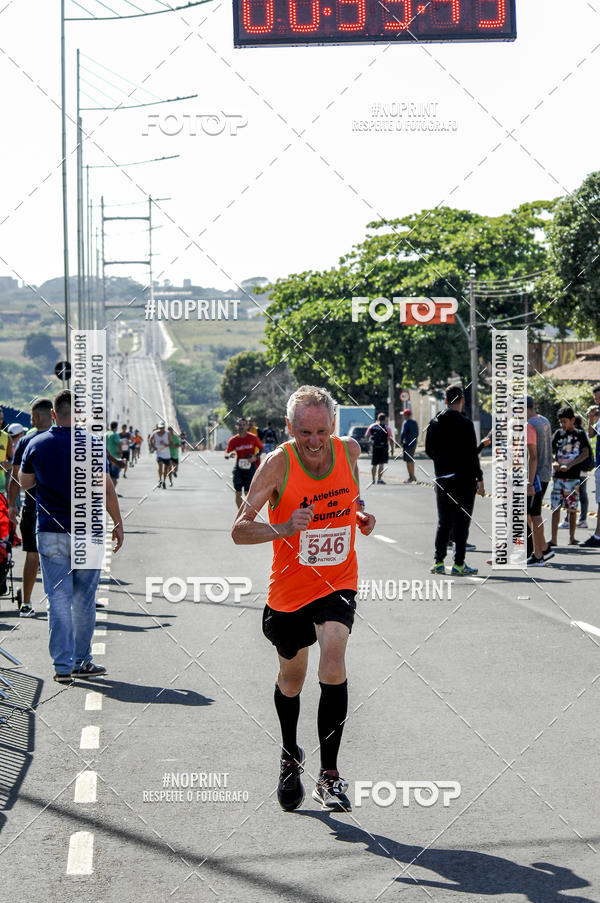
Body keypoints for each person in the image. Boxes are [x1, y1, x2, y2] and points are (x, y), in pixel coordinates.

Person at [231, 386, 375, 813]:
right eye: (304, 432)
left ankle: (329, 776)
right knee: (292, 679)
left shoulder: (348, 451)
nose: (314, 442)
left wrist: (361, 516)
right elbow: (239, 530)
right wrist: (284, 528)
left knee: (333, 663)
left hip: (337, 581)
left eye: (321, 431)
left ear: (333, 425)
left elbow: (352, 498)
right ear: (290, 428)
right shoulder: (277, 464)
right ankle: (290, 755)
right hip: (289, 590)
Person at [18, 389, 124, 683]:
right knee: (84, 599)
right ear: (79, 415)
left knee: (57, 597)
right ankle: (82, 661)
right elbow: (106, 487)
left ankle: (62, 667)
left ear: (53, 414)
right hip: (88, 531)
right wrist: (117, 522)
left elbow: (25, 482)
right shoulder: (91, 444)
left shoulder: (36, 443)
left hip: (50, 531)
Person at [425, 385, 484, 576]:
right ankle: (459, 564)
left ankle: (438, 562)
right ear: (462, 401)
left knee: (444, 522)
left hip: (442, 478)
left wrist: (442, 462)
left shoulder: (434, 423)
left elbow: (428, 451)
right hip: (463, 480)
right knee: (461, 522)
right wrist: (480, 479)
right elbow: (472, 456)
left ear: (445, 400)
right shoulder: (466, 424)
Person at [6, 399, 53, 616]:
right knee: (64, 555)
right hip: (61, 509)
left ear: (34, 418)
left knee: (32, 554)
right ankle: (64, 602)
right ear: (52, 415)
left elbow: (15, 477)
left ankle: (26, 603)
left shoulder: (25, 441)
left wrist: (12, 506)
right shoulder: (64, 438)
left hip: (32, 506)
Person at [550, 406, 591, 547]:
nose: (562, 424)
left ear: (572, 420)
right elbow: (550, 452)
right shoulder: (557, 434)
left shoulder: (580, 434)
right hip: (557, 477)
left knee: (572, 509)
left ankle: (571, 538)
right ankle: (554, 539)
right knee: (555, 508)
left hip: (573, 478)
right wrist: (555, 462)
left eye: (565, 421)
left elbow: (585, 453)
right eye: (560, 422)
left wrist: (571, 465)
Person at [526, 396, 555, 566]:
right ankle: (543, 547)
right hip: (545, 472)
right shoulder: (544, 421)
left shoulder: (529, 425)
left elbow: (533, 456)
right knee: (532, 513)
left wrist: (529, 483)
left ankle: (538, 555)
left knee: (534, 513)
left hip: (536, 476)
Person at [225, 419, 264, 508]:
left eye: (244, 425)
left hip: (250, 468)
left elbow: (261, 448)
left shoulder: (253, 438)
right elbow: (226, 453)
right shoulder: (233, 440)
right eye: (240, 425)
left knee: (248, 493)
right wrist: (229, 454)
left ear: (247, 426)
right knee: (238, 493)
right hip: (238, 468)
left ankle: (245, 514)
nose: (242, 427)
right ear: (236, 427)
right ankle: (240, 513)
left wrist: (256, 457)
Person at [582, 386, 600, 548]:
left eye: (599, 398)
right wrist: (590, 418)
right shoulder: (598, 417)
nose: (597, 401)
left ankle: (598, 535)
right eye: (595, 399)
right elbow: (591, 434)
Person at [365, 412, 394, 485]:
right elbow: (391, 439)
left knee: (374, 464)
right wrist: (392, 449)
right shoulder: (387, 428)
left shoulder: (372, 426)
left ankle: (373, 479)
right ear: (385, 419)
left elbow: (366, 436)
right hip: (383, 447)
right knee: (381, 464)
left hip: (375, 447)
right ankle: (379, 479)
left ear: (378, 419)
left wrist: (369, 443)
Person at [149, 421, 171, 489]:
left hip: (167, 454)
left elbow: (171, 442)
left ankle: (164, 481)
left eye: (163, 427)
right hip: (159, 453)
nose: (161, 429)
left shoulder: (167, 433)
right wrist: (153, 446)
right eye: (160, 427)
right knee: (160, 465)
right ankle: (160, 480)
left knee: (166, 469)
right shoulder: (155, 434)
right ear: (158, 427)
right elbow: (150, 440)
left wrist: (167, 444)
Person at [399, 409, 418, 482]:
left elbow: (403, 433)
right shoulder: (414, 422)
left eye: (403, 414)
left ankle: (411, 477)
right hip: (413, 444)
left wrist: (401, 442)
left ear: (406, 415)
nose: (403, 416)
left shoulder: (405, 423)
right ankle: (413, 476)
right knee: (411, 460)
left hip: (407, 444)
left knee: (408, 461)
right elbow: (417, 433)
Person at [104, 421, 124, 490]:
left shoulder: (105, 434)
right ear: (116, 427)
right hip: (115, 457)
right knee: (114, 477)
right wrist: (121, 453)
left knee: (108, 476)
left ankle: (107, 491)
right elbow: (119, 444)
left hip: (106, 458)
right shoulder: (115, 434)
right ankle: (113, 492)